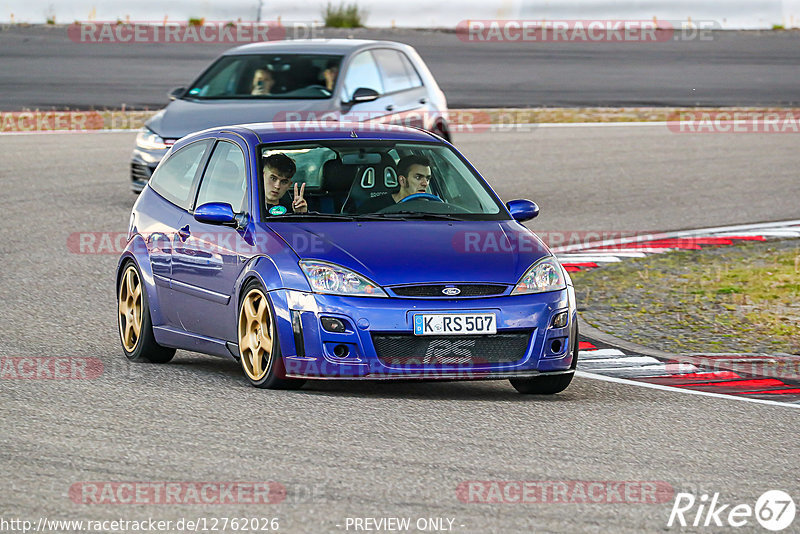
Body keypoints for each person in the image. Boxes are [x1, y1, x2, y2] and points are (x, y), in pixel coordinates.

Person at [357, 155, 432, 213]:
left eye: (427, 178)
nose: (425, 183)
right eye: (418, 177)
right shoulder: (372, 207)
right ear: (402, 180)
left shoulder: (432, 209)